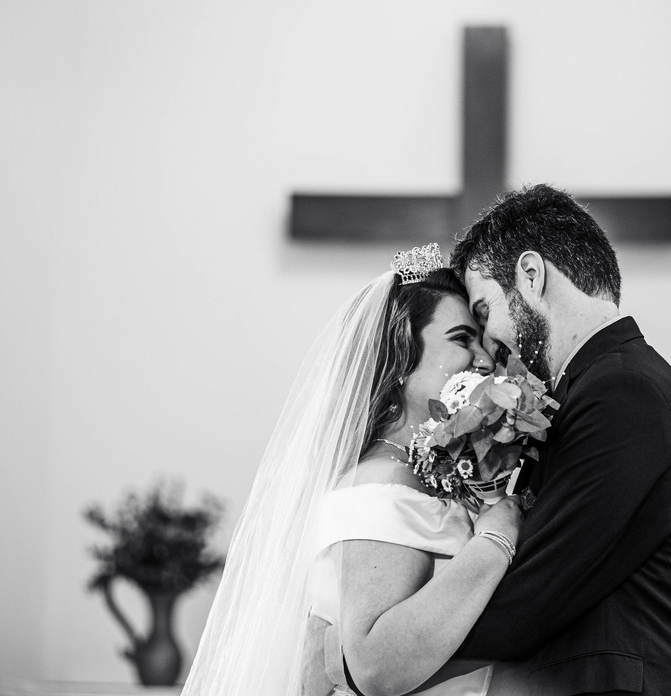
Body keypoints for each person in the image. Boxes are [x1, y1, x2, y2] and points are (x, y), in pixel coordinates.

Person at [180, 248, 523, 696]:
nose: (484, 359)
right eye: (462, 339)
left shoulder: (418, 477)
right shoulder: (378, 488)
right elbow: (377, 667)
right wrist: (495, 540)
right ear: (400, 357)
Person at [445, 183, 671, 695]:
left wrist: (385, 655)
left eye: (485, 312)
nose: (487, 354)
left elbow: (530, 599)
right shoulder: (600, 390)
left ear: (530, 276)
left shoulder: (624, 394)